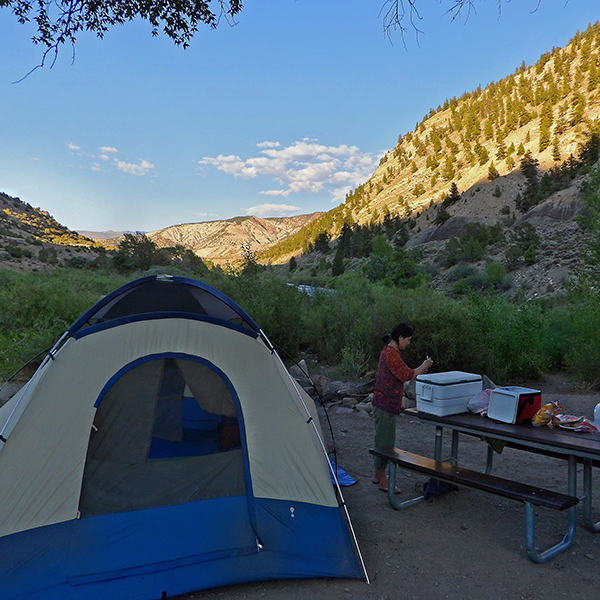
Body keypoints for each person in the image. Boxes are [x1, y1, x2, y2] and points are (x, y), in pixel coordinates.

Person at [372, 322, 433, 493]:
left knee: (380, 440)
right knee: (386, 443)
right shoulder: (392, 354)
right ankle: (384, 481)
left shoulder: (388, 352)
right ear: (400, 338)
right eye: (408, 339)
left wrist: (417, 370)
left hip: (382, 403)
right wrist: (424, 366)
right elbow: (407, 374)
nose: (408, 343)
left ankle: (378, 475)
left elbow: (403, 373)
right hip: (386, 404)